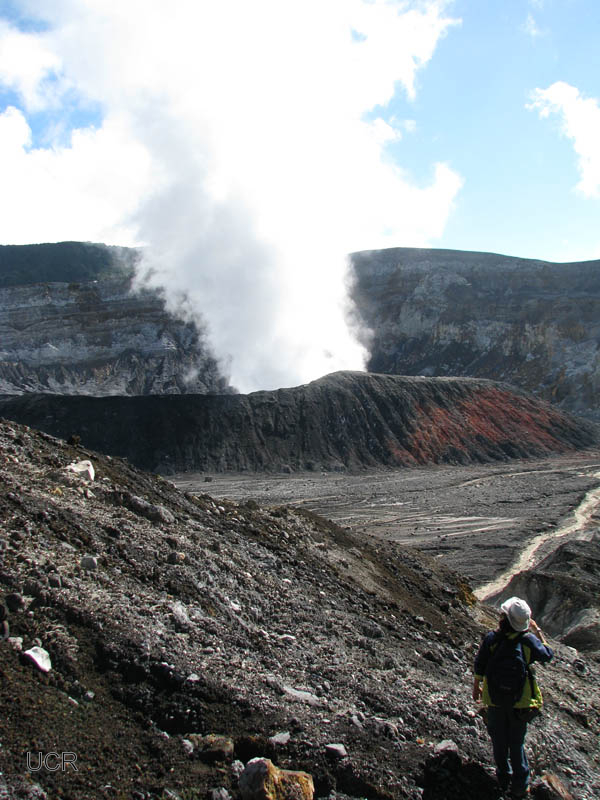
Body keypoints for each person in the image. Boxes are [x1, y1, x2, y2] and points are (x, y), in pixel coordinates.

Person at [473, 596, 553, 798]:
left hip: (494, 699)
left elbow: (480, 664)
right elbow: (548, 655)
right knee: (516, 743)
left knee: (499, 741)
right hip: (521, 701)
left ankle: (503, 777)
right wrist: (538, 632)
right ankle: (520, 785)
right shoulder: (527, 641)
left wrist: (476, 687)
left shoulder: (492, 638)